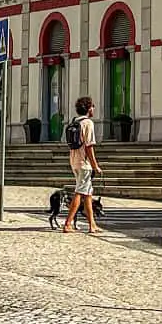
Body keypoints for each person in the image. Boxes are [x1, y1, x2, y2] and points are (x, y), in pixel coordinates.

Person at [63, 95, 102, 234]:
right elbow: (89, 146)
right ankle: (68, 223)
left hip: (74, 161)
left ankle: (92, 224)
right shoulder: (88, 123)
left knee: (88, 194)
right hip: (84, 163)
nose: (93, 109)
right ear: (88, 108)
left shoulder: (74, 121)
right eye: (92, 106)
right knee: (80, 192)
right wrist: (95, 165)